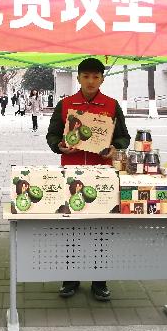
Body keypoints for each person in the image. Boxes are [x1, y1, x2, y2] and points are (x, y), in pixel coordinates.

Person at [46, 57, 131, 302]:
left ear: (102, 79)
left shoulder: (112, 105)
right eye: (86, 76)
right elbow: (52, 135)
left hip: (102, 174)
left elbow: (123, 137)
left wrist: (115, 148)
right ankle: (70, 280)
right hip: (72, 173)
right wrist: (59, 146)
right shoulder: (65, 104)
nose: (90, 81)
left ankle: (99, 282)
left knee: (100, 229)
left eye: (95, 77)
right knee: (71, 228)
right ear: (79, 78)